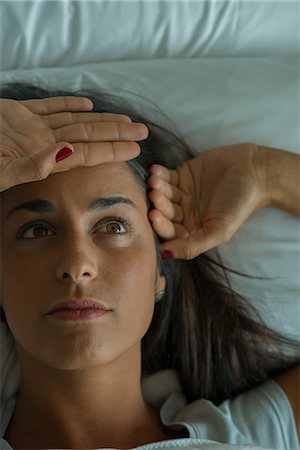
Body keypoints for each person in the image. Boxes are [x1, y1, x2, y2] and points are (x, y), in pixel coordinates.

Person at [0, 83, 299, 449]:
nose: (77, 264)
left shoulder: (253, 437)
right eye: (36, 231)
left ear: (160, 273)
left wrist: (267, 172)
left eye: (113, 226)